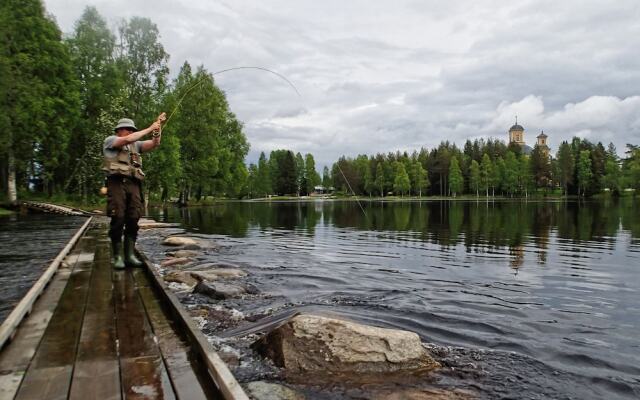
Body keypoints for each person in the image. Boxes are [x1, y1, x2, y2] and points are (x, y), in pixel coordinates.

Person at [102, 114, 165, 269]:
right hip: (116, 183)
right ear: (119, 130)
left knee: (133, 216)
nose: (130, 132)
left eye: (131, 129)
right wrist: (149, 128)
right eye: (127, 129)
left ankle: (129, 255)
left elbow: (155, 143)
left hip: (134, 184)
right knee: (118, 217)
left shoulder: (136, 145)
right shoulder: (110, 140)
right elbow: (127, 140)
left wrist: (157, 128)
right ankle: (117, 256)